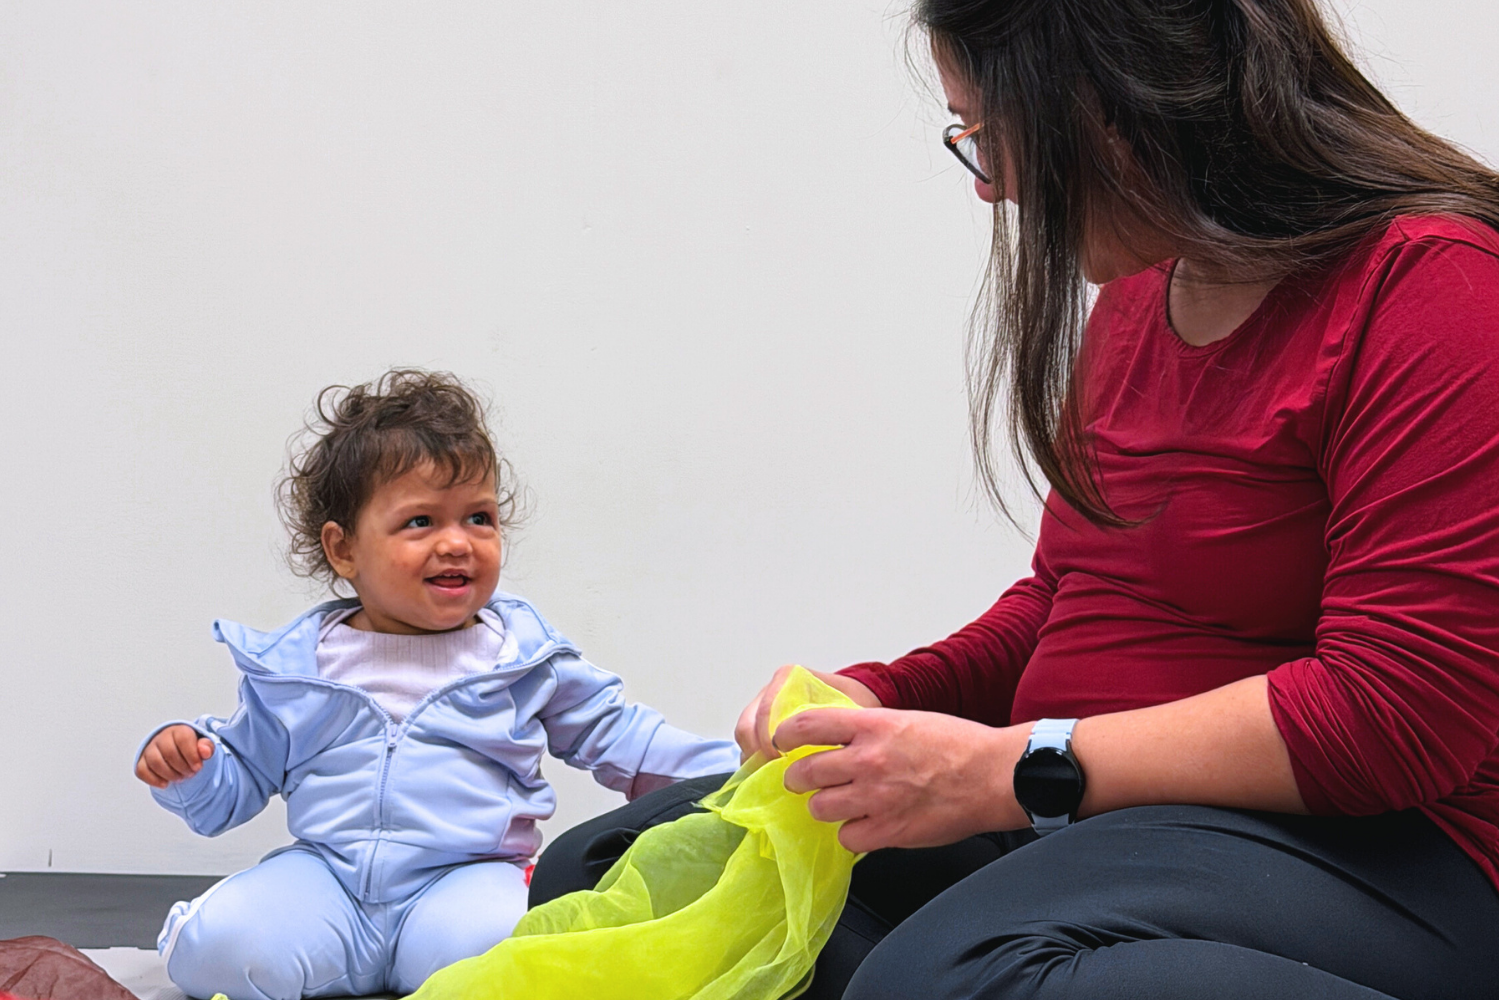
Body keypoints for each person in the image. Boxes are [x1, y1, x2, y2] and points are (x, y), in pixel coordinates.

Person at [530, 2, 1499, 997]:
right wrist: (882, 698)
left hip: (1394, 857)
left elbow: (1396, 713)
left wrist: (1005, 770)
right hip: (1095, 822)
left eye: (987, 134)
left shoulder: (1432, 284)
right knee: (616, 876)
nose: (990, 187)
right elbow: (1066, 600)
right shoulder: (1141, 294)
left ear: (1108, 102)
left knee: (945, 973)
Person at [133, 370, 740, 1000]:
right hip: (328, 878)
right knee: (220, 948)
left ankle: (440, 966)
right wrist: (193, 770)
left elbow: (627, 741)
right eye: (420, 521)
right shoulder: (298, 667)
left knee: (506, 950)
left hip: (467, 881)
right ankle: (313, 952)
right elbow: (238, 782)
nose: (457, 543)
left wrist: (739, 770)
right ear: (344, 550)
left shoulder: (521, 658)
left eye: (479, 518)